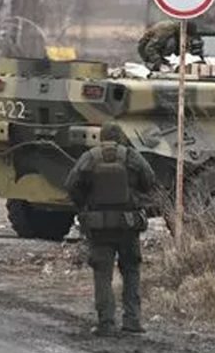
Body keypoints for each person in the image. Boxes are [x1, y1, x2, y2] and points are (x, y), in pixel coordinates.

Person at [65, 122, 156, 337]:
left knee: (102, 274)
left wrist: (85, 205)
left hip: (99, 227)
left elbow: (71, 185)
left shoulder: (90, 157)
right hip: (128, 225)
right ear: (121, 138)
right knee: (131, 271)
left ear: (101, 137)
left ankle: (106, 322)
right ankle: (132, 320)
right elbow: (149, 179)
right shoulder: (131, 156)